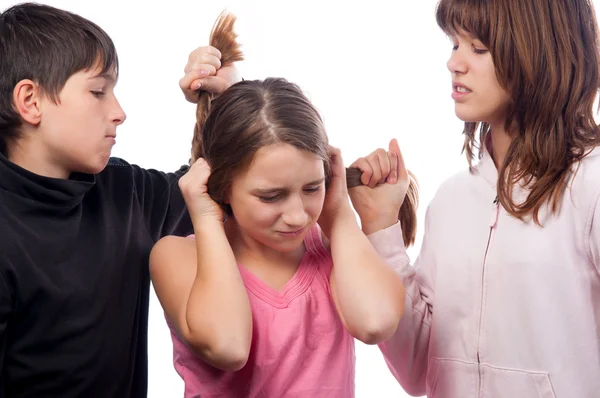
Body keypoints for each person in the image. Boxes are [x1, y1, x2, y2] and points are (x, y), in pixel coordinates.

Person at [348, 0, 600, 397]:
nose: (455, 63)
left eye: (478, 48)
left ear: (540, 51)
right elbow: (419, 369)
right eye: (454, 44)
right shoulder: (450, 201)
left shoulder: (591, 184)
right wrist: (381, 228)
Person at [0, 3, 234, 397]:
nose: (119, 112)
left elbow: (214, 192)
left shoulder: (122, 192)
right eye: (98, 92)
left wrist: (224, 100)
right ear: (31, 101)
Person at [149, 76, 407, 397]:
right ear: (221, 185)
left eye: (312, 188)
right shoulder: (177, 256)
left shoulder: (333, 249)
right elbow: (228, 346)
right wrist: (206, 218)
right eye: (271, 196)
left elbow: (375, 323)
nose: (298, 216)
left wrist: (338, 211)